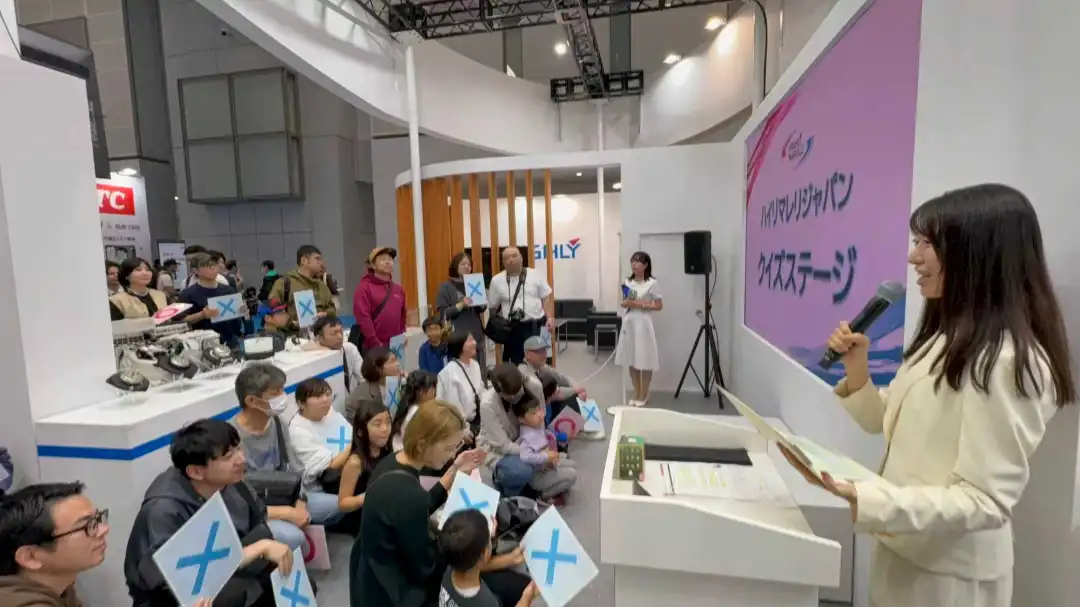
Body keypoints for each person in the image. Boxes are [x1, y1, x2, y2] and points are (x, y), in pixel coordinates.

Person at [781, 184, 1076, 607]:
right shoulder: (946, 337)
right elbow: (885, 422)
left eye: (926, 243)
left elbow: (983, 501)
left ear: (977, 253)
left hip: (948, 578)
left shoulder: (1006, 361)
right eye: (915, 241)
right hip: (906, 552)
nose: (913, 257)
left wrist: (864, 496)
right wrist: (857, 369)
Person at [350, 400, 531, 607]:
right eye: (448, 448)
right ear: (422, 444)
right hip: (399, 590)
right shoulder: (409, 496)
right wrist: (481, 538)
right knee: (513, 587)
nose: (452, 455)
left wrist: (454, 470)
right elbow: (429, 567)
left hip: (372, 573)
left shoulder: (392, 464)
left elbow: (418, 507)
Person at [124, 419, 295, 607]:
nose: (242, 459)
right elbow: (170, 577)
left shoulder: (231, 482)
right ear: (196, 472)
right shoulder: (163, 509)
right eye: (228, 456)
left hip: (232, 567)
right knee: (236, 595)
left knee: (288, 576)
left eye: (238, 449)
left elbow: (256, 523)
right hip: (175, 595)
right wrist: (258, 549)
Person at [229, 363, 343, 551]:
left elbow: (294, 469)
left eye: (282, 390)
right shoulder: (231, 438)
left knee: (340, 505)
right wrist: (287, 513)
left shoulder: (277, 423)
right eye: (275, 393)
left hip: (283, 494)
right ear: (252, 401)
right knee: (294, 537)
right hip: (255, 508)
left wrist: (300, 502)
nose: (283, 397)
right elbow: (237, 500)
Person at [0, 482, 107, 607]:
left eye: (97, 519)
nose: (104, 529)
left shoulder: (60, 588)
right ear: (30, 557)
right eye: (87, 526)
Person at [478, 364, 575, 500]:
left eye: (518, 393)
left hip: (529, 442)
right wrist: (539, 454)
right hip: (503, 451)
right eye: (510, 397)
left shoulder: (534, 386)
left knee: (569, 464)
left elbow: (540, 421)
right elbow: (504, 446)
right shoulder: (488, 405)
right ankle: (516, 492)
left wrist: (544, 448)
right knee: (521, 470)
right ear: (499, 393)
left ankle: (534, 481)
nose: (515, 399)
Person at [438, 509, 539, 607]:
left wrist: (511, 558)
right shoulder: (487, 603)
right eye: (489, 540)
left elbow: (475, 564)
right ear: (484, 554)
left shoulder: (451, 565)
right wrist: (526, 599)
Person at [519, 336, 604, 439]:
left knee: (569, 392)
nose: (544, 354)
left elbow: (562, 377)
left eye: (544, 350)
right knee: (569, 396)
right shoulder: (527, 375)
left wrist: (577, 387)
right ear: (528, 354)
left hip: (543, 406)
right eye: (539, 352)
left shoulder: (539, 366)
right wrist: (576, 390)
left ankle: (574, 428)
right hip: (533, 417)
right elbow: (558, 394)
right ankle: (567, 430)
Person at [487, 247, 555, 364]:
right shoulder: (496, 281)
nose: (511, 260)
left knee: (541, 362)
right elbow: (493, 307)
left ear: (521, 258)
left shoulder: (535, 274)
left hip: (537, 326)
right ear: (503, 262)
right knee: (516, 365)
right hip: (513, 330)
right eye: (507, 258)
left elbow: (546, 298)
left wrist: (550, 318)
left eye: (514, 256)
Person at [335, 398, 393, 532]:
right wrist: (369, 497)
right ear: (361, 431)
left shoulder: (387, 452)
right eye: (377, 424)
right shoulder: (355, 462)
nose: (385, 429)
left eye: (388, 422)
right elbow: (343, 503)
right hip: (364, 521)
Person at [512, 387, 576, 505]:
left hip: (547, 465)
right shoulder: (527, 437)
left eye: (539, 410)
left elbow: (547, 435)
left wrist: (561, 437)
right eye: (533, 413)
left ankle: (557, 484)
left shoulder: (536, 426)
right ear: (522, 419)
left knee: (572, 464)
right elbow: (525, 456)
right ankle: (543, 496)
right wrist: (546, 456)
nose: (539, 414)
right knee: (572, 475)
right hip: (538, 475)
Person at [614, 251, 663, 407]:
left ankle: (644, 392)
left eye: (638, 261)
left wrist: (638, 304)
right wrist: (625, 304)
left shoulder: (652, 283)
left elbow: (658, 305)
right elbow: (626, 301)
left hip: (644, 323)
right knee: (632, 357)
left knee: (645, 358)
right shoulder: (627, 282)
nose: (634, 264)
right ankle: (636, 390)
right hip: (630, 322)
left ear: (645, 265)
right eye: (632, 261)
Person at [288, 377, 352, 491]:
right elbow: (329, 467)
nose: (325, 400)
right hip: (323, 487)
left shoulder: (329, 412)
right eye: (318, 396)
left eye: (327, 394)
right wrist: (356, 443)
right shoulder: (298, 432)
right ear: (301, 403)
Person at [177, 252, 245, 347]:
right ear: (195, 270)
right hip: (202, 344)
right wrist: (202, 315)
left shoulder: (229, 290)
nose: (213, 268)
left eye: (214, 265)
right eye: (207, 266)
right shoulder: (187, 294)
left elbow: (236, 321)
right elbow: (180, 322)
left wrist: (242, 311)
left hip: (230, 342)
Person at [436, 252, 488, 371]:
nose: (467, 267)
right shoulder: (446, 287)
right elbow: (444, 314)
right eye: (463, 264)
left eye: (469, 265)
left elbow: (482, 309)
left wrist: (482, 301)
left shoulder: (475, 283)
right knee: (462, 371)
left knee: (479, 370)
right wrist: (461, 304)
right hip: (457, 336)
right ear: (455, 266)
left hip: (476, 333)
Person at [352, 246, 407, 352]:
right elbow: (363, 318)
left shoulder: (398, 290)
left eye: (390, 259)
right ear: (373, 265)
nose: (387, 262)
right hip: (374, 346)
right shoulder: (364, 288)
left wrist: (402, 335)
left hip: (396, 346)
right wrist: (375, 343)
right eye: (382, 259)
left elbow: (402, 317)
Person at [267, 244, 336, 329]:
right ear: (304, 260)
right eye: (317, 259)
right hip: (292, 335)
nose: (321, 263)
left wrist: (326, 314)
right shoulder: (284, 283)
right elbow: (273, 311)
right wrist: (293, 324)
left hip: (318, 334)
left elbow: (331, 307)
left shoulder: (321, 285)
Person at [437, 331, 486, 441]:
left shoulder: (475, 365)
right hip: (461, 428)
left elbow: (481, 392)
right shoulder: (449, 372)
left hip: (479, 423)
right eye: (470, 340)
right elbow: (453, 406)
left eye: (473, 339)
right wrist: (463, 429)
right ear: (460, 346)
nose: (474, 343)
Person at [304, 315, 364, 395]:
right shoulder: (313, 356)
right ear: (319, 338)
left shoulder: (350, 348)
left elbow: (364, 378)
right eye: (333, 334)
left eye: (341, 332)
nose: (340, 337)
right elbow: (304, 347)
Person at [344, 346, 401, 421]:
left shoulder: (396, 383)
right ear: (378, 368)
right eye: (392, 361)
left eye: (396, 360)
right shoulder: (364, 394)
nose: (398, 364)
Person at [391, 370, 439, 452]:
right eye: (432, 388)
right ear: (421, 392)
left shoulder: (409, 407)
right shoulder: (417, 412)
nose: (435, 393)